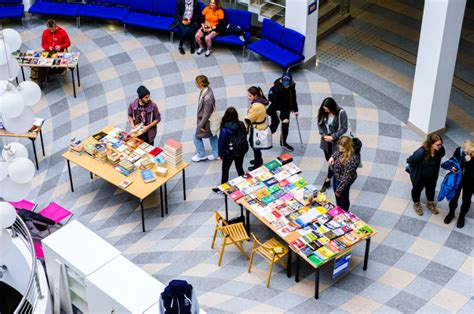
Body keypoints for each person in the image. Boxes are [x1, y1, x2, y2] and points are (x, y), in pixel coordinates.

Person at [407, 133, 445, 216]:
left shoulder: (440, 150)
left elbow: (440, 156)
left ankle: (430, 203)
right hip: (420, 176)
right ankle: (416, 204)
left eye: (441, 144)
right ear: (431, 144)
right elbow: (409, 160)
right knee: (417, 189)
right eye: (438, 144)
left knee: (431, 189)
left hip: (432, 175)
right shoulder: (421, 152)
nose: (440, 146)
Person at [212, 107, 248, 193]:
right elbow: (245, 135)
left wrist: (220, 154)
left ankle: (223, 187)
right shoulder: (241, 124)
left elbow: (221, 143)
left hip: (229, 153)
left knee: (225, 170)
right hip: (240, 151)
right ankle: (244, 185)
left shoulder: (224, 129)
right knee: (239, 167)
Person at [317, 97, 349, 192]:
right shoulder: (323, 112)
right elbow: (319, 124)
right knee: (328, 159)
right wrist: (324, 135)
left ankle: (328, 179)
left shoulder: (341, 113)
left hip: (336, 141)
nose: (325, 110)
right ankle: (332, 174)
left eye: (327, 108)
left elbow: (344, 128)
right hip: (325, 141)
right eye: (324, 107)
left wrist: (333, 137)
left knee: (333, 161)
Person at [443, 140, 473, 228]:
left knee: (466, 199)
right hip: (457, 178)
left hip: (470, 181)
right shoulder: (459, 151)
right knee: (454, 196)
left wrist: (470, 161)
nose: (466, 153)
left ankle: (462, 216)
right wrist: (452, 168)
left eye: (468, 152)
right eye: (465, 151)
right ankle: (451, 213)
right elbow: (453, 160)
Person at [267, 72, 299, 152]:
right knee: (275, 125)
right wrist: (282, 118)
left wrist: (295, 109)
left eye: (288, 84)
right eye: (285, 84)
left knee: (285, 127)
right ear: (281, 81)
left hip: (285, 109)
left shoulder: (291, 86)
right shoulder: (277, 90)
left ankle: (283, 143)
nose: (286, 86)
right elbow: (276, 105)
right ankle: (264, 136)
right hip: (275, 110)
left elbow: (293, 97)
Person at [328, 136, 359, 211]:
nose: (340, 150)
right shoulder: (342, 151)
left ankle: (344, 211)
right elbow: (338, 153)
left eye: (342, 149)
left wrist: (339, 190)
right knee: (337, 194)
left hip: (344, 180)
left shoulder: (352, 160)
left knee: (343, 197)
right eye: (339, 148)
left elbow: (346, 178)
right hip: (337, 176)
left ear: (348, 147)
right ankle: (339, 208)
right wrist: (332, 157)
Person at [193, 75, 219, 162]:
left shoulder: (207, 97)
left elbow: (206, 114)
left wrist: (200, 126)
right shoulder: (206, 90)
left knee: (196, 136)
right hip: (208, 121)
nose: (195, 84)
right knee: (213, 136)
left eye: (196, 82)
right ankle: (217, 153)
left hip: (206, 122)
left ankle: (201, 155)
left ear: (200, 84)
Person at [245, 86, 269, 171]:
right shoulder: (261, 101)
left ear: (255, 96)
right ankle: (258, 160)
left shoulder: (256, 106)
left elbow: (249, 119)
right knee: (255, 145)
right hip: (260, 126)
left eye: (250, 96)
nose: (248, 97)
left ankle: (258, 163)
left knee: (255, 145)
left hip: (256, 128)